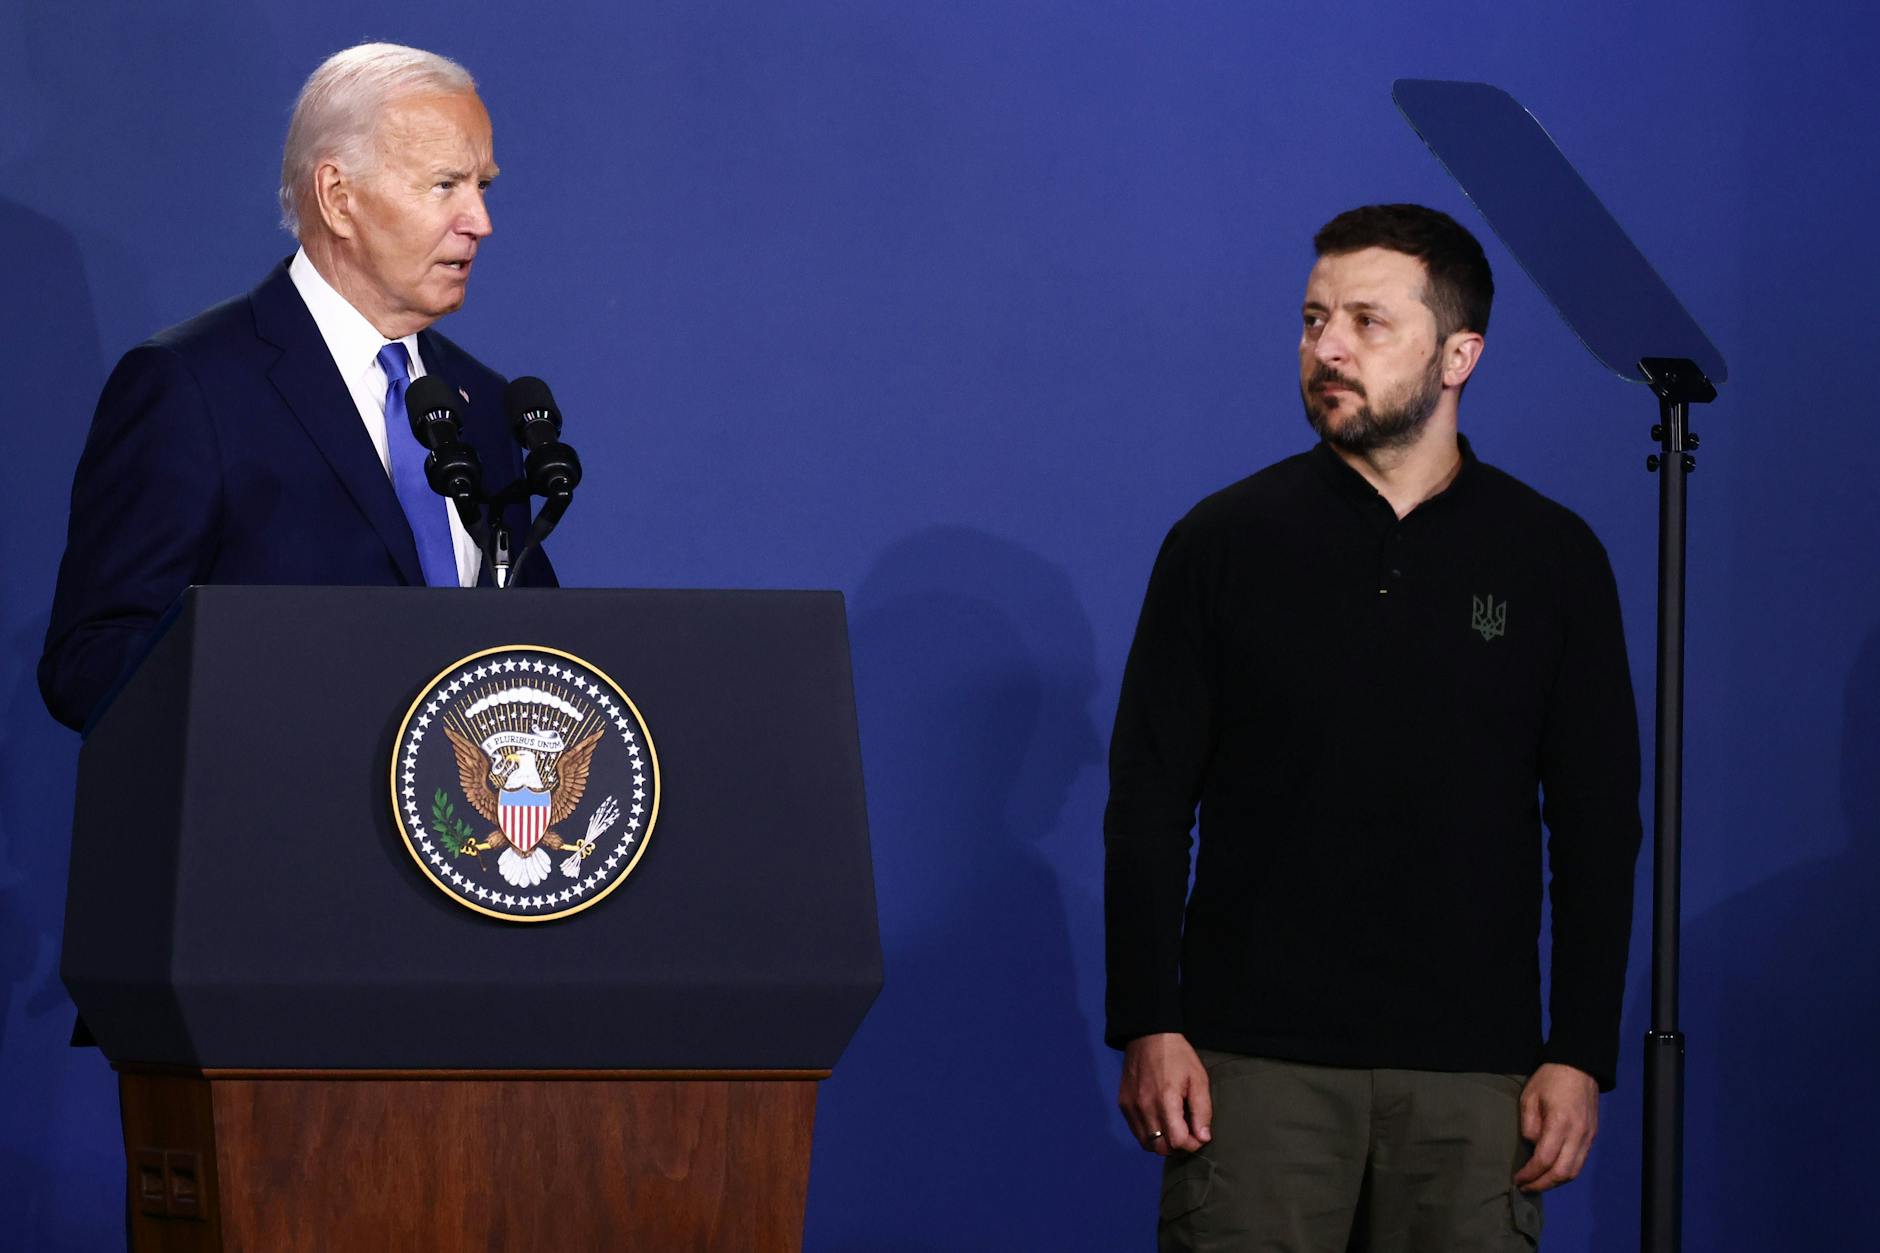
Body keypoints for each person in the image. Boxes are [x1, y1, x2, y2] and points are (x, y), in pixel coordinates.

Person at [1105, 204, 1642, 1251]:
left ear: (1458, 354)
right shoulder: (1221, 542)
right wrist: (1148, 1020)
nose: (1325, 348)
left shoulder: (1550, 556)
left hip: (1475, 1077)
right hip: (1247, 1067)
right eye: (1311, 319)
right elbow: (1148, 796)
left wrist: (1578, 1048)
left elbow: (1592, 823)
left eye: (1364, 320)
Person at [39, 42, 554, 734]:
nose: (479, 222)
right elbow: (92, 658)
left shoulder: (483, 403)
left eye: (482, 186)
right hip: (266, 825)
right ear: (339, 199)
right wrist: (287, 698)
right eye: (445, 185)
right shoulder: (193, 388)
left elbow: (536, 650)